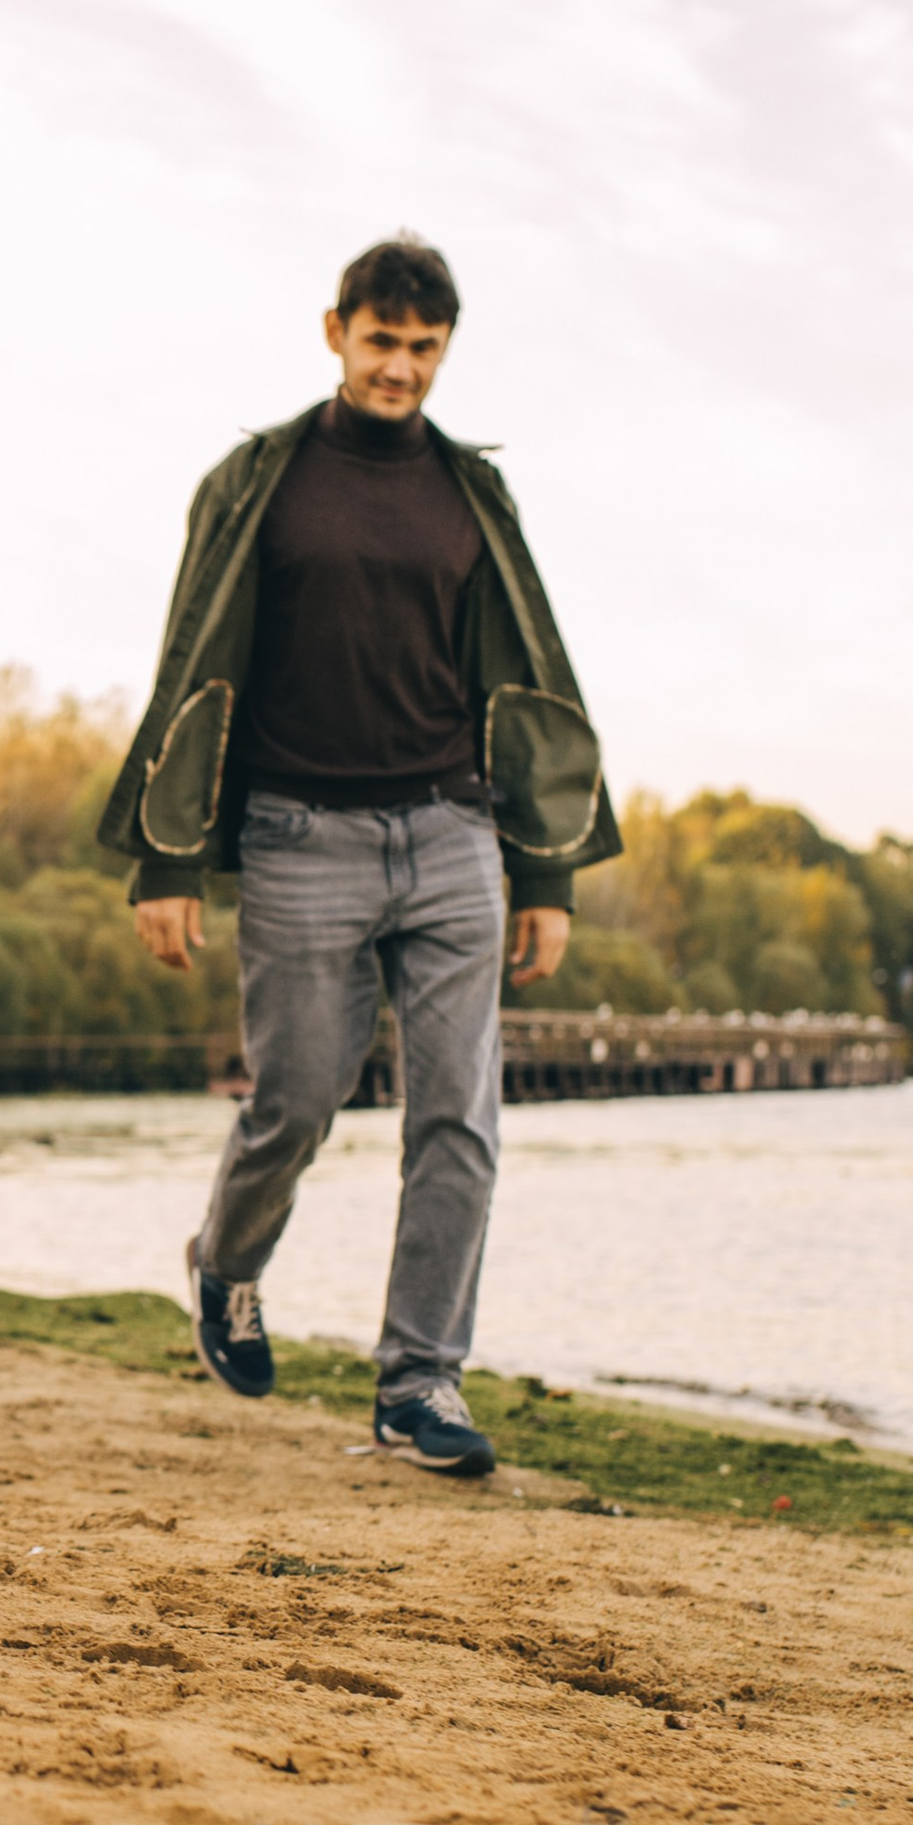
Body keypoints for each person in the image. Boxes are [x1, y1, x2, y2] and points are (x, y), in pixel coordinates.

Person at [106, 232, 618, 1478]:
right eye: (381, 340)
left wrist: (539, 871)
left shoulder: (470, 493)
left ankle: (418, 1382)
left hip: (452, 830)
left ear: (444, 350)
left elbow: (528, 670)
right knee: (297, 1100)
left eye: (423, 347)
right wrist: (169, 857)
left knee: (461, 1117)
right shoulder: (255, 482)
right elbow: (191, 659)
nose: (400, 366)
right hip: (297, 832)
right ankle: (226, 1264)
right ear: (334, 330)